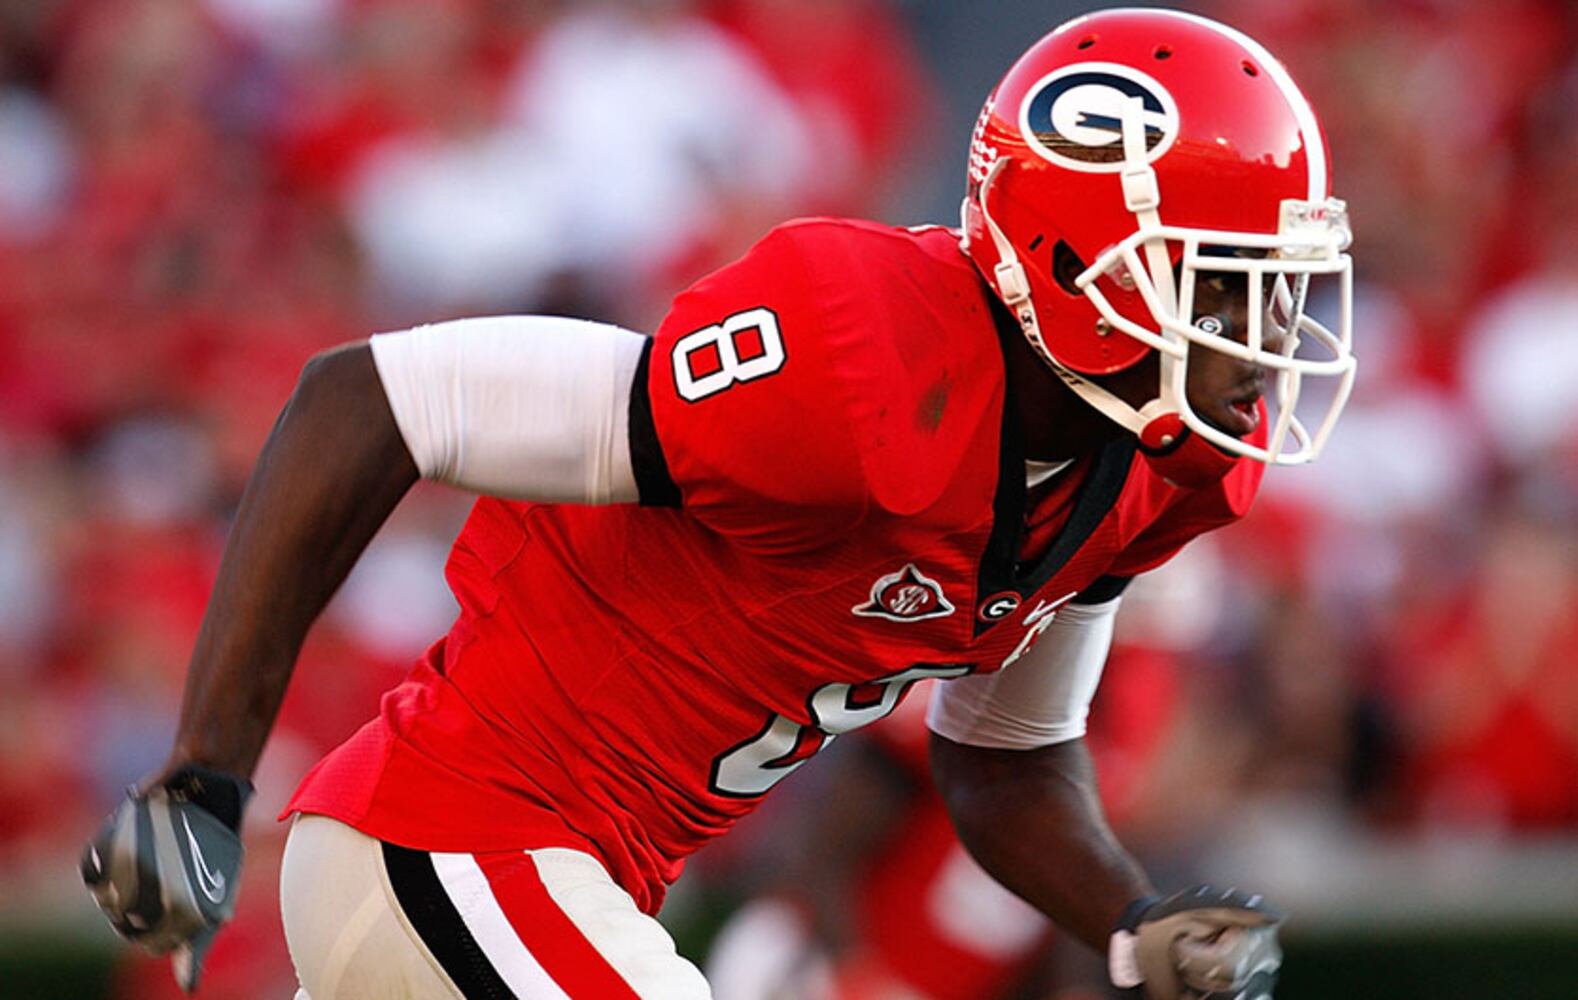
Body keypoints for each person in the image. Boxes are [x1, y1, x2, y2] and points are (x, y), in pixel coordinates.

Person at [80, 8, 1356, 999]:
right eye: (1224, 282)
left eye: (1278, 285)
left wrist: (1130, 922)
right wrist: (204, 773)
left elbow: (1006, 762)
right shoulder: (861, 368)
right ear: (1075, 262)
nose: (1265, 333)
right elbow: (370, 399)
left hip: (561, 888)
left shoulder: (1145, 478)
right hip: (452, 839)